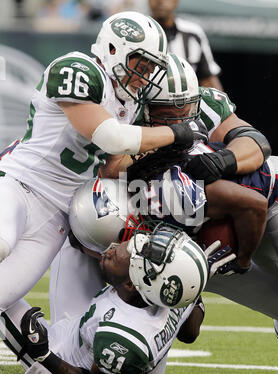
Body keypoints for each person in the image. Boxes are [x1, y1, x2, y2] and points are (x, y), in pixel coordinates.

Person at [71, 54, 278, 374]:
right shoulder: (126, 131)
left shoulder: (172, 184)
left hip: (268, 197)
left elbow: (256, 147)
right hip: (195, 229)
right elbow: (110, 168)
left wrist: (225, 163)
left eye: (184, 109)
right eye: (166, 112)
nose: (178, 118)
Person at [0, 11, 210, 314]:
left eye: (152, 67)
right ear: (113, 48)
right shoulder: (80, 69)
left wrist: (165, 155)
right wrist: (175, 133)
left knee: (5, 294)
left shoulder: (130, 100)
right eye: (141, 62)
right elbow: (111, 137)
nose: (146, 73)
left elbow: (112, 165)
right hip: (22, 182)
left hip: (57, 214)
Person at [1, 224, 233, 374]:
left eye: (132, 252)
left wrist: (44, 355)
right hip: (131, 365)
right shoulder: (170, 291)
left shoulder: (123, 337)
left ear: (132, 283)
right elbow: (189, 334)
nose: (115, 248)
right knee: (77, 240)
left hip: (62, 359)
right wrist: (194, 284)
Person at [148, 0, 223, 90]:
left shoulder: (193, 33)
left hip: (185, 101)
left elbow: (208, 79)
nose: (160, 1)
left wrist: (220, 102)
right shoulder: (140, 33)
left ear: (176, 1)